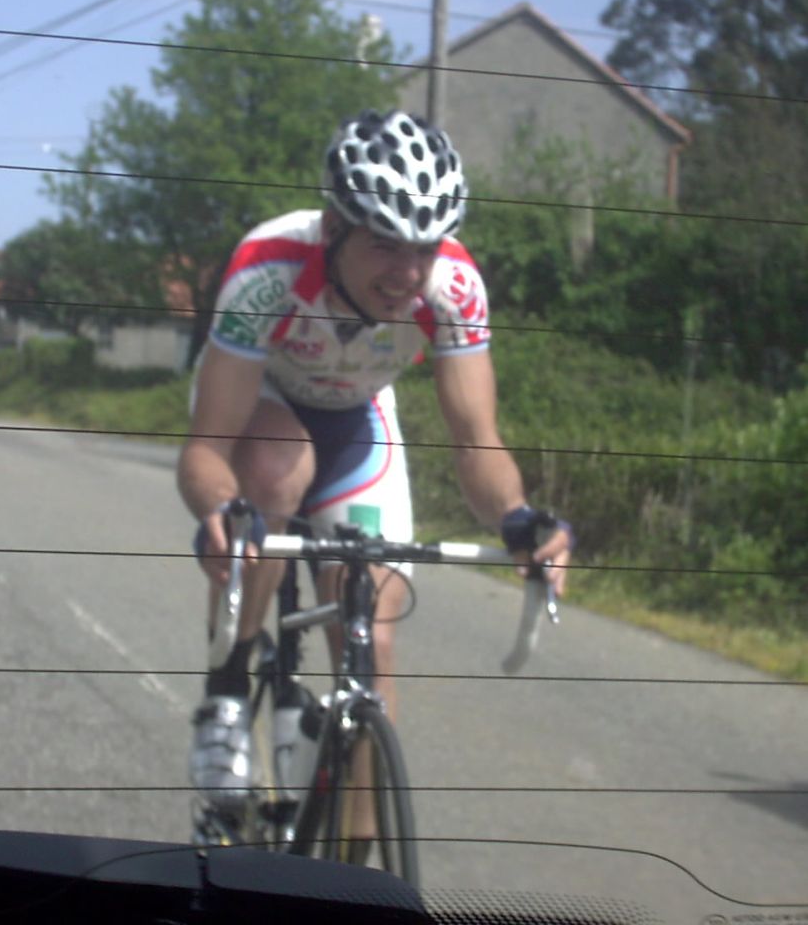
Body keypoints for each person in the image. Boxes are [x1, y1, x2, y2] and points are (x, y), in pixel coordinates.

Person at [176, 109, 573, 815]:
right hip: (263, 405)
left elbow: (477, 440)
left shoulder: (453, 286)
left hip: (358, 418)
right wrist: (222, 512)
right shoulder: (269, 267)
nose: (408, 273)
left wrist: (518, 519)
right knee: (278, 470)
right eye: (386, 245)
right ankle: (227, 693)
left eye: (426, 246)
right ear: (333, 229)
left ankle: (354, 859)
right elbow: (207, 447)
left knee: (373, 638)